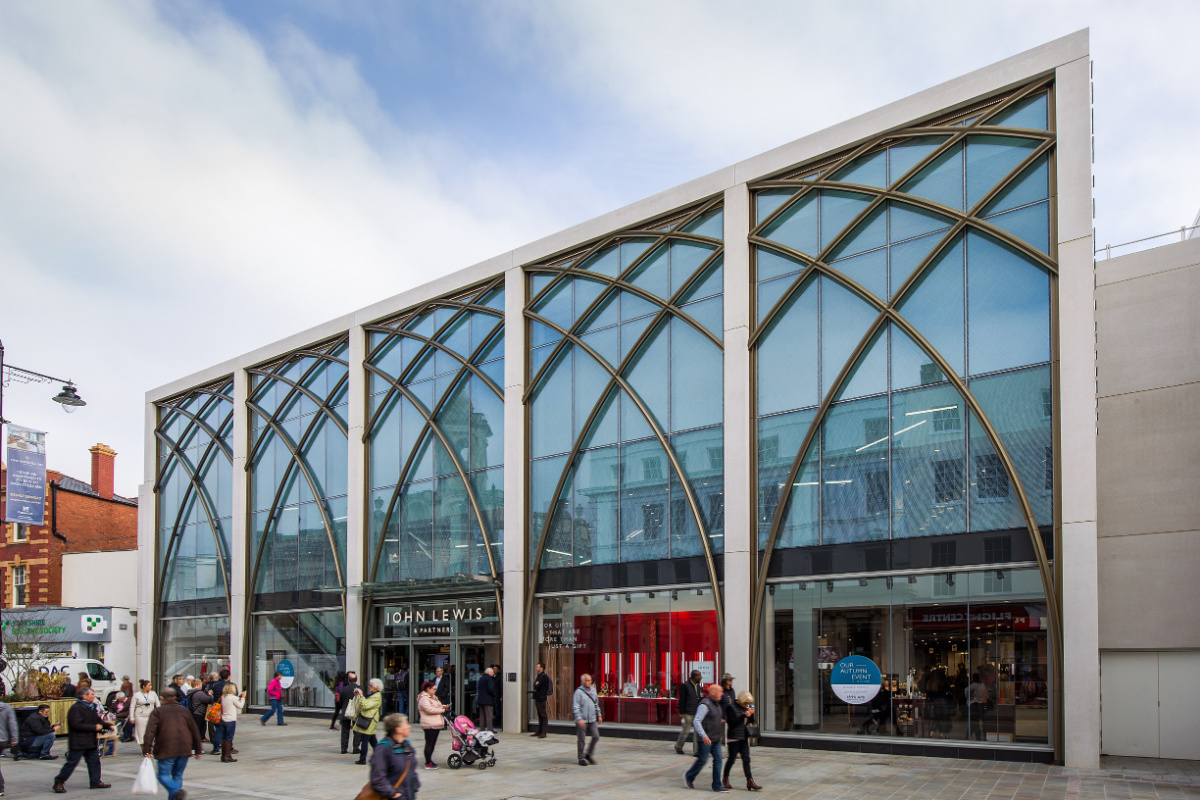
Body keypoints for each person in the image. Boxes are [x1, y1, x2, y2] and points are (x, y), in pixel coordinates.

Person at [142, 688, 203, 800]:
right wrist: (198, 749)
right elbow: (194, 729)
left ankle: (176, 791)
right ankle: (176, 795)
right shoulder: (184, 710)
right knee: (177, 775)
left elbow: (150, 732)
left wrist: (147, 749)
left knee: (163, 775)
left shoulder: (158, 712)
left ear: (161, 698)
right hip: (184, 748)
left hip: (166, 748)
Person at [52, 688, 113, 793]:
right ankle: (59, 782)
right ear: (84, 696)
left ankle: (95, 782)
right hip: (78, 742)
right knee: (72, 763)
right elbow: (76, 725)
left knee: (94, 762)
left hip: (90, 741)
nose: (94, 696)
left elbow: (97, 720)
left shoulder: (91, 707)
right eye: (91, 694)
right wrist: (94, 728)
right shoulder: (76, 708)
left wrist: (108, 726)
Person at [683, 683, 726, 792]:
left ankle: (717, 785)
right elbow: (697, 721)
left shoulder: (717, 704)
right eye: (719, 692)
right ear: (712, 693)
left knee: (718, 761)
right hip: (706, 739)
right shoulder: (704, 705)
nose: (722, 694)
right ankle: (689, 776)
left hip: (715, 739)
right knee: (702, 760)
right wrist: (704, 736)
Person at [369, 714, 420, 800]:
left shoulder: (406, 746)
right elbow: (378, 778)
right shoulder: (383, 748)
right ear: (398, 729)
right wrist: (392, 793)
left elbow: (411, 770)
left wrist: (415, 785)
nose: (409, 726)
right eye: (406, 724)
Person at [722, 691, 762, 791]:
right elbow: (732, 723)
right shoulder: (731, 708)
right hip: (734, 738)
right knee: (731, 759)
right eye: (745, 703)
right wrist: (743, 715)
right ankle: (725, 779)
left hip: (743, 737)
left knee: (746, 759)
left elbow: (750, 722)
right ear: (740, 700)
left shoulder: (745, 708)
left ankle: (750, 781)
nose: (746, 705)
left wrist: (751, 714)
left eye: (748, 704)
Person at [416, 681, 448, 770]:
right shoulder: (424, 698)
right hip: (429, 724)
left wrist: (443, 707)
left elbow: (438, 706)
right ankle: (428, 762)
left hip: (435, 723)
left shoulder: (433, 697)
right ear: (428, 689)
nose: (435, 690)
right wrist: (442, 710)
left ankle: (430, 760)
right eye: (434, 689)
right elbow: (428, 709)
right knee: (429, 743)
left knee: (432, 743)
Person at [352, 679, 384, 765]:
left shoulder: (376, 696)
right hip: (368, 719)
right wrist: (357, 696)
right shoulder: (373, 695)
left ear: (376, 687)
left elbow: (366, 705)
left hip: (369, 721)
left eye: (371, 686)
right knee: (372, 740)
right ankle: (379, 757)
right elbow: (363, 704)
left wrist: (361, 695)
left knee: (365, 740)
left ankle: (362, 759)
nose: (369, 687)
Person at [571, 673, 601, 767]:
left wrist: (599, 715)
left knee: (596, 736)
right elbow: (576, 707)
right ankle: (581, 758)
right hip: (582, 720)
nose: (589, 682)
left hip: (592, 719)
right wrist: (579, 718)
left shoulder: (593, 691)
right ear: (582, 681)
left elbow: (596, 703)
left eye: (590, 680)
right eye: (587, 680)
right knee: (581, 740)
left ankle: (588, 754)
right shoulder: (578, 692)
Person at [675, 670, 703, 756]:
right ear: (695, 677)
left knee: (697, 732)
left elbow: (699, 697)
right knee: (686, 731)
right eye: (699, 676)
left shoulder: (698, 686)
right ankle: (678, 746)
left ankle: (696, 751)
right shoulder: (685, 686)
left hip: (696, 712)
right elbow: (682, 700)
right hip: (688, 712)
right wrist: (682, 712)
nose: (701, 677)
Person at [217, 683, 246, 763]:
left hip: (223, 719)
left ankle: (223, 756)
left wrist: (239, 697)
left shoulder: (223, 697)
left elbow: (234, 700)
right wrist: (243, 698)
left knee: (223, 738)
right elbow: (240, 706)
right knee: (229, 738)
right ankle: (228, 756)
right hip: (231, 720)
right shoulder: (232, 697)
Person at [338, 671, 362, 755]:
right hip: (356, 712)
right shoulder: (360, 689)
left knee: (345, 730)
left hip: (346, 712)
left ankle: (343, 748)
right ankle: (356, 747)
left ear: (348, 680)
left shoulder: (344, 689)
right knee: (357, 730)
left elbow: (340, 701)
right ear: (356, 680)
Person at [132, 680, 161, 746]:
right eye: (149, 685)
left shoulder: (153, 693)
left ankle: (149, 745)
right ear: (144, 686)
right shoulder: (137, 695)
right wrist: (132, 717)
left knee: (150, 730)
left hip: (151, 715)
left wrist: (158, 713)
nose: (151, 687)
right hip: (140, 715)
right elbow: (132, 707)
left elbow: (158, 704)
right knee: (141, 731)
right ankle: (143, 746)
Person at [530, 663, 552, 738]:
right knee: (539, 715)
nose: (536, 668)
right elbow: (534, 685)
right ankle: (539, 730)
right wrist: (536, 684)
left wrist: (536, 684)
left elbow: (536, 685)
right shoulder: (539, 676)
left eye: (537, 667)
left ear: (541, 668)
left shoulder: (543, 676)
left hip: (541, 698)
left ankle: (544, 732)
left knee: (543, 715)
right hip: (538, 698)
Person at [476, 667, 497, 732]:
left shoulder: (481, 678)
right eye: (492, 672)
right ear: (489, 672)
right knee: (489, 715)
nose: (493, 673)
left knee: (482, 716)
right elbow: (490, 688)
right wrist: (494, 695)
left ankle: (482, 728)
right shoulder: (489, 678)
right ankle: (490, 728)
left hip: (481, 699)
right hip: (488, 700)